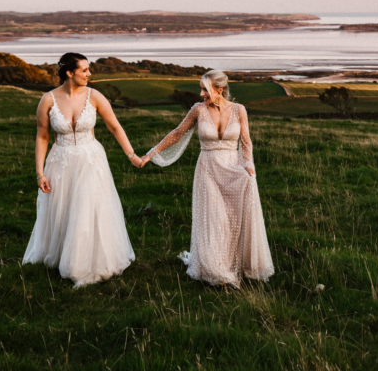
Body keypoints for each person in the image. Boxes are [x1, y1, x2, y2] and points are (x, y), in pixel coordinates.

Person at [141, 70, 274, 287]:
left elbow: (246, 141)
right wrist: (151, 154)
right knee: (215, 218)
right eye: (201, 89)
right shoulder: (198, 110)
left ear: (219, 90)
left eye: (205, 89)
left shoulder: (239, 110)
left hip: (233, 169)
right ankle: (216, 269)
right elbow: (177, 133)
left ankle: (235, 263)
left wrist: (248, 165)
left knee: (232, 219)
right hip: (208, 170)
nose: (201, 94)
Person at [23, 52, 141, 287]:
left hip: (91, 160)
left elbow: (114, 127)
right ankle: (60, 256)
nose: (89, 74)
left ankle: (84, 262)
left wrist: (132, 156)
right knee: (63, 209)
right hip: (61, 161)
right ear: (69, 73)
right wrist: (40, 173)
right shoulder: (48, 100)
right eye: (84, 70)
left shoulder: (95, 96)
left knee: (87, 208)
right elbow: (43, 136)